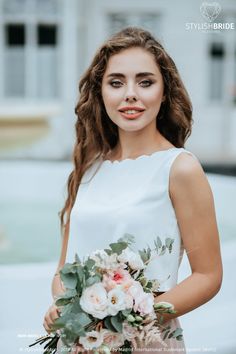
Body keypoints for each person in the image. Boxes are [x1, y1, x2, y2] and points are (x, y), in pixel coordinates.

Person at [43, 27, 223, 353]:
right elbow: (63, 270)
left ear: (164, 91)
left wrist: (129, 318)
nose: (130, 94)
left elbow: (208, 276)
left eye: (145, 82)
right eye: (116, 82)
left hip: (146, 342)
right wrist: (64, 307)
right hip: (80, 343)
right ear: (100, 93)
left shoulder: (179, 168)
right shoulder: (88, 168)